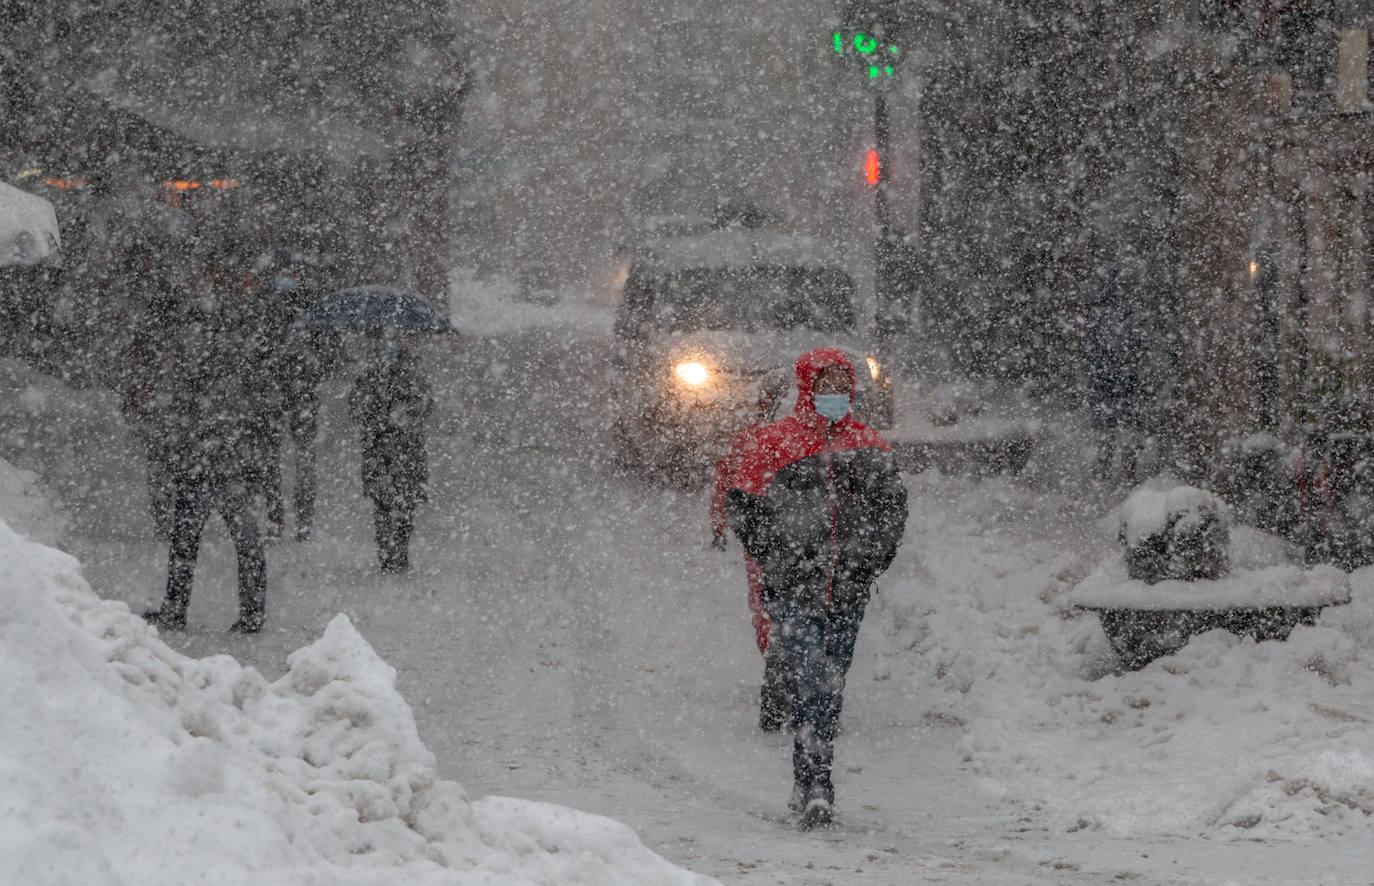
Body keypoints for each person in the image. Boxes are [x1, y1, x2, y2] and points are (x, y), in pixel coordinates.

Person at [722, 348, 908, 830]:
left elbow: (891, 513)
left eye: (840, 387)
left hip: (847, 589)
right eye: (823, 387)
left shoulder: (870, 447)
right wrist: (776, 555)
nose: (833, 396)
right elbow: (742, 504)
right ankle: (817, 783)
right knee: (810, 677)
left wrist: (867, 562)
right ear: (807, 388)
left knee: (831, 684)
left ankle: (809, 782)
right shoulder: (773, 444)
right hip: (792, 588)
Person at [142, 253, 273, 634]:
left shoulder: (212, 347)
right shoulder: (230, 343)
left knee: (197, 540)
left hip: (211, 460)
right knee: (229, 541)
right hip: (219, 460)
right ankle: (245, 612)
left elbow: (190, 407)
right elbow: (255, 408)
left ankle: (182, 609)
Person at [711, 370, 791, 731]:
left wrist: (721, 524)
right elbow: (728, 484)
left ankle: (784, 665)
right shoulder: (754, 441)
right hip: (770, 538)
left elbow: (726, 484)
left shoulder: (753, 439)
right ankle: (788, 670)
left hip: (775, 539)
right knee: (772, 611)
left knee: (768, 611)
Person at [348, 332, 435, 572]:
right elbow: (355, 408)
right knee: (383, 503)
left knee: (406, 504)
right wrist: (377, 416)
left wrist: (404, 412)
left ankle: (401, 550)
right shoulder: (368, 373)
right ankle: (387, 554)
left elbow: (427, 406)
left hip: (407, 448)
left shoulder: (413, 372)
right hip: (378, 448)